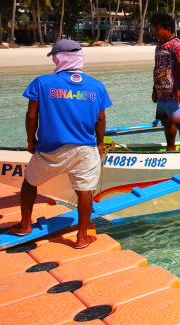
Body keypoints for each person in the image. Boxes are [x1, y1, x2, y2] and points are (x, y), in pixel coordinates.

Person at [10, 39, 112, 248]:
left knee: (30, 183)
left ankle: (24, 225)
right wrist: (99, 143)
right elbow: (100, 119)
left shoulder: (41, 82)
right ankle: (82, 237)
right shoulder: (96, 86)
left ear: (58, 58)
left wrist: (31, 141)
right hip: (85, 148)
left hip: (50, 149)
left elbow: (31, 116)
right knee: (85, 191)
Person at [150, 12, 180, 151]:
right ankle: (171, 148)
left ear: (168, 29)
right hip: (162, 93)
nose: (155, 32)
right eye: (154, 29)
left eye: (157, 29)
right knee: (166, 123)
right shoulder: (159, 47)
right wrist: (155, 90)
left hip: (176, 93)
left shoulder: (178, 46)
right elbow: (158, 69)